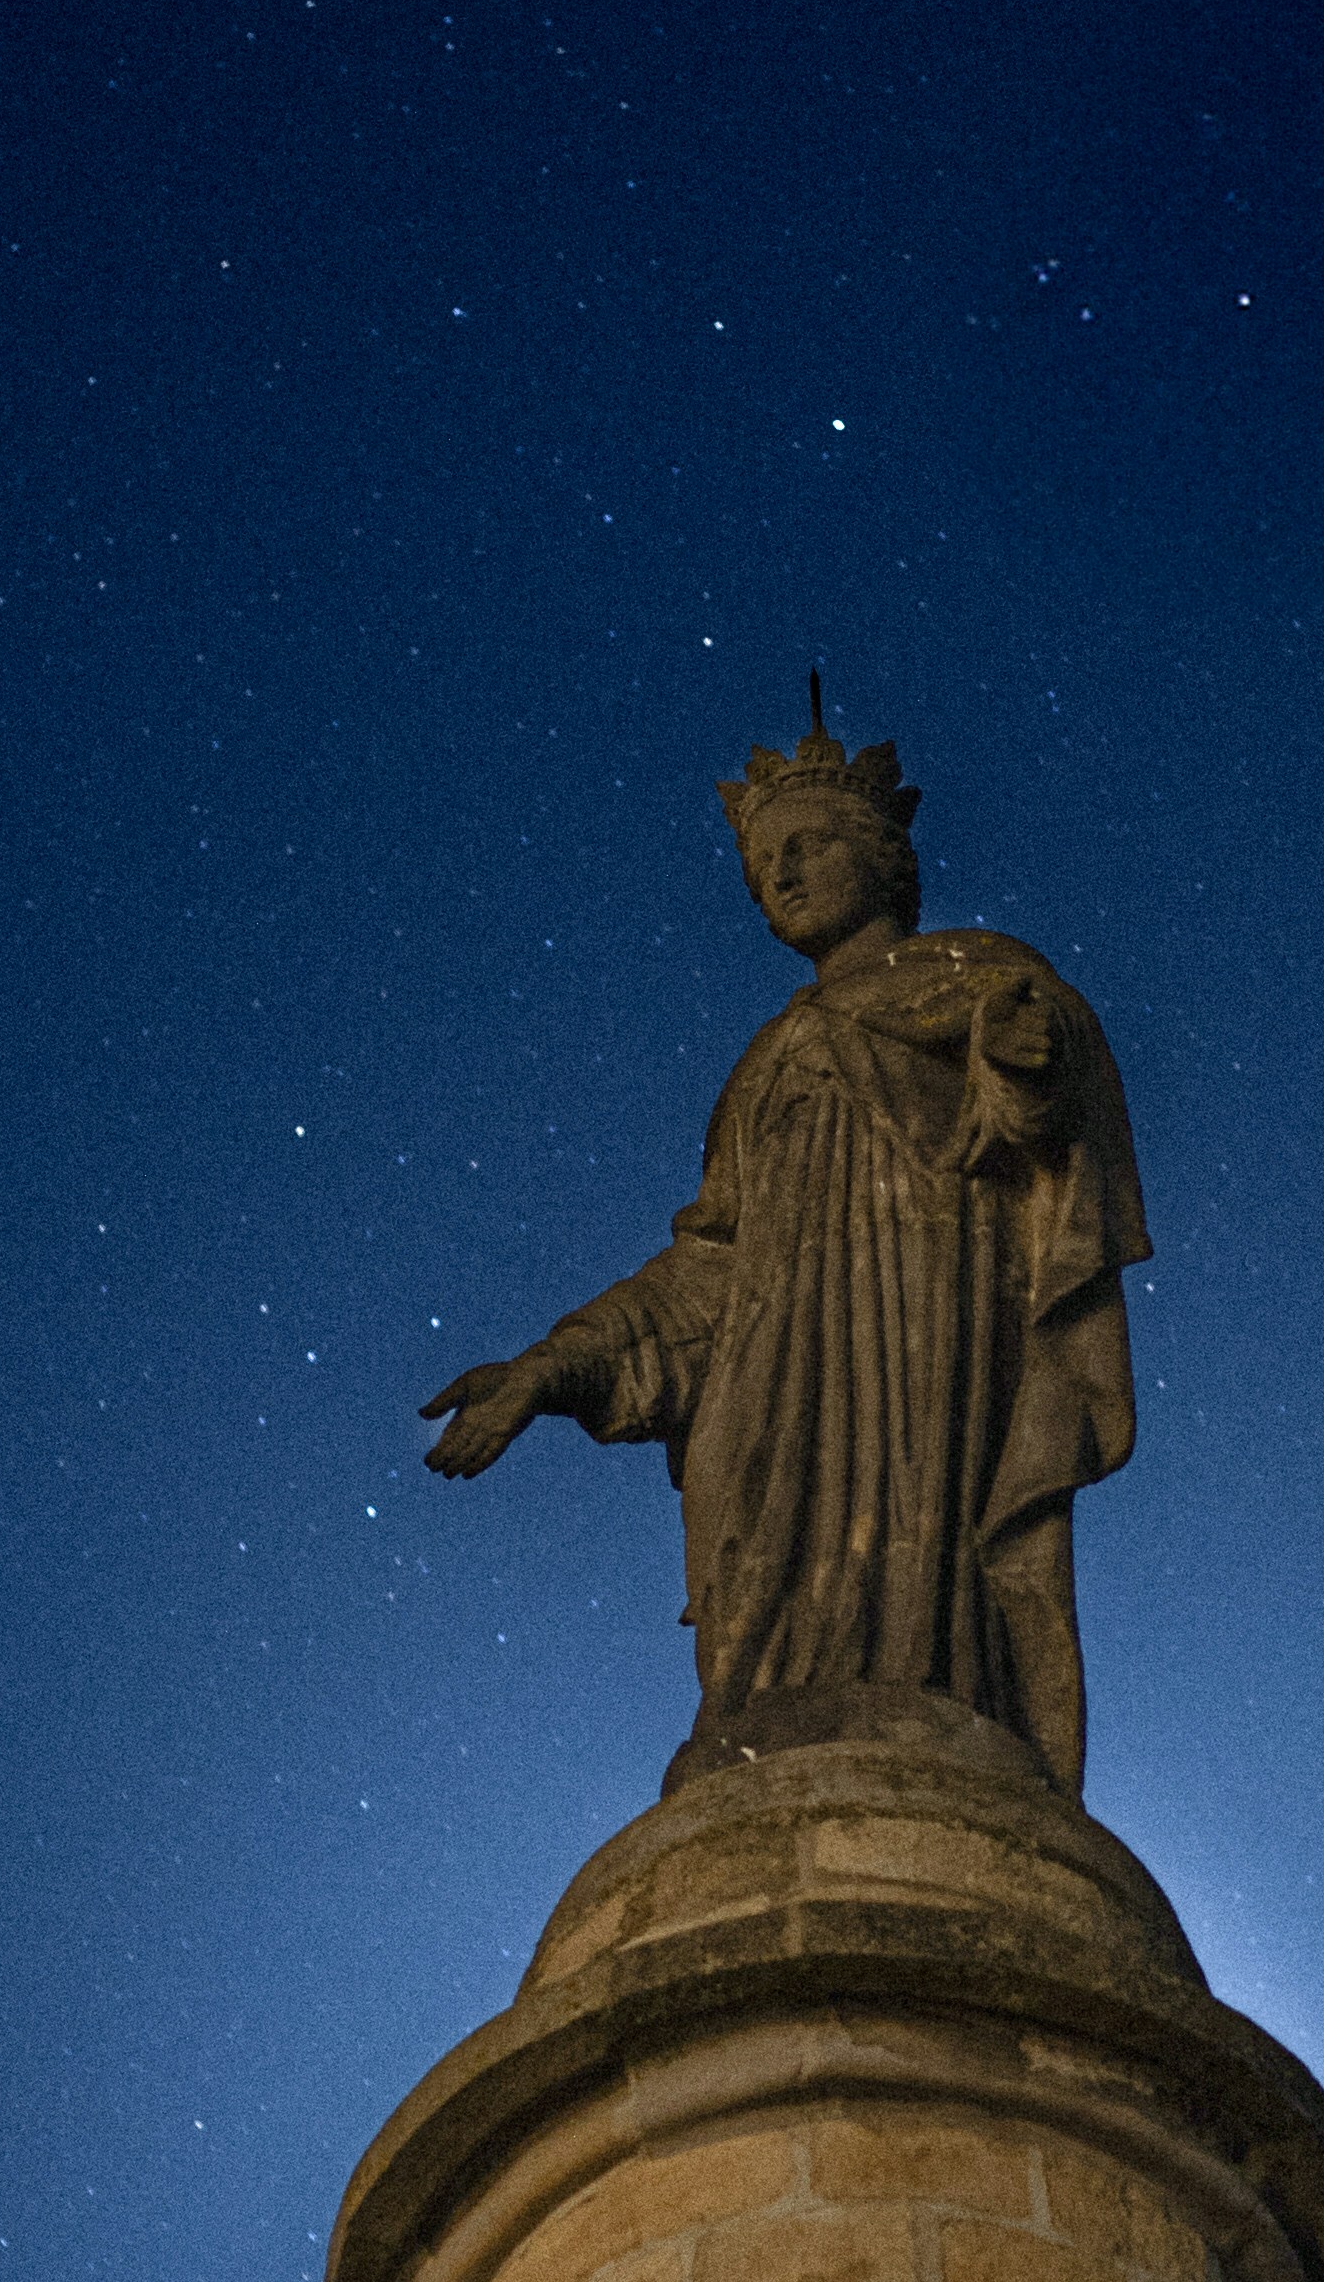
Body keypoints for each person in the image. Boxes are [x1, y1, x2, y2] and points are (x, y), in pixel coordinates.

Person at [420, 688, 1145, 1795]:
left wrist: (1021, 1063)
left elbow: (1042, 1124)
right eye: (764, 869)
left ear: (881, 858)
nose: (784, 880)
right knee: (767, 1617)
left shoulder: (983, 981)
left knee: (918, 1562)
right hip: (775, 1377)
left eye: (807, 848)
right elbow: (711, 1266)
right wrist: (552, 1366)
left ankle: (938, 1716)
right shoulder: (768, 1062)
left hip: (923, 1333)